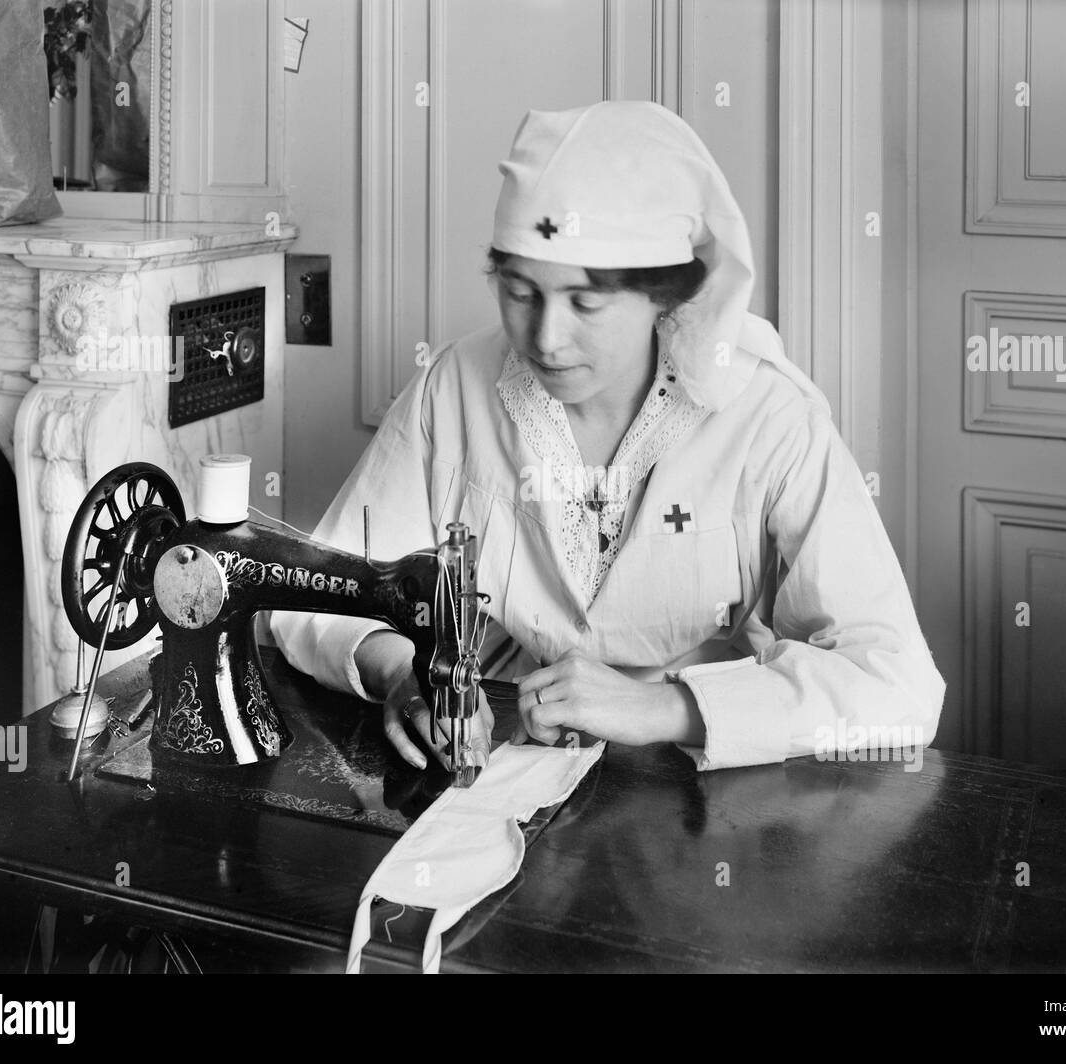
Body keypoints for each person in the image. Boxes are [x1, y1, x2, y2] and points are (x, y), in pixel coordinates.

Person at [270, 100, 944, 778]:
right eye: (519, 291)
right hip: (500, 759)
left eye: (585, 303)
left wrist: (666, 708)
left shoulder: (769, 419)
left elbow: (896, 683)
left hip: (709, 794)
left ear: (666, 295)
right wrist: (401, 673)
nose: (546, 338)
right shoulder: (453, 387)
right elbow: (317, 590)